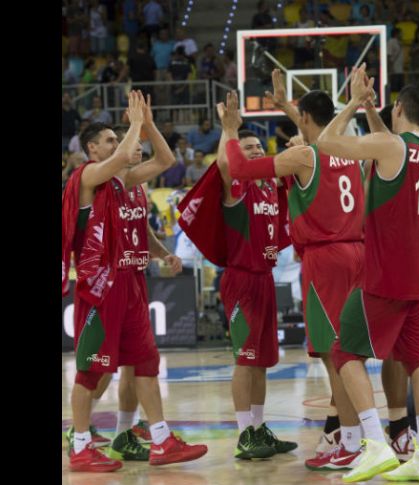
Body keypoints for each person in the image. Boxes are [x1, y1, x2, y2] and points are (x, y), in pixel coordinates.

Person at [312, 67, 419, 483]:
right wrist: (372, 110)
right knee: (418, 362)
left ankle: (373, 444)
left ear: (400, 108)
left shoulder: (390, 146)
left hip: (384, 275)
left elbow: (325, 142)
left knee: (344, 353)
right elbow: (388, 149)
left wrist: (352, 102)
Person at [230, 69, 368, 469]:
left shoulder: (304, 155)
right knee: (349, 353)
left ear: (306, 119)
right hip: (358, 253)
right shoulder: (351, 148)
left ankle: (352, 440)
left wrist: (228, 132)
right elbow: (323, 131)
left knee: (334, 357)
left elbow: (241, 170)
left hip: (325, 258)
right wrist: (287, 106)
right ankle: (354, 436)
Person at [61, 91, 207, 472]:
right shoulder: (87, 177)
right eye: (109, 139)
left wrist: (149, 123)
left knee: (145, 361)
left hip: (133, 282)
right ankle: (79, 445)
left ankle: (161, 440)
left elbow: (166, 160)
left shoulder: (127, 183)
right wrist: (136, 123)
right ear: (92, 149)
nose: (119, 143)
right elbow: (126, 156)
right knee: (93, 370)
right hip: (101, 287)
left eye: (118, 138)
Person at [177, 105, 297, 460]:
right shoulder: (238, 188)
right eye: (249, 149)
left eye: (260, 148)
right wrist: (228, 130)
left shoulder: (268, 190)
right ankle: (245, 432)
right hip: (241, 281)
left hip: (264, 279)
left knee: (261, 362)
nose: (258, 152)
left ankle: (259, 427)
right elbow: (225, 168)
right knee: (245, 361)